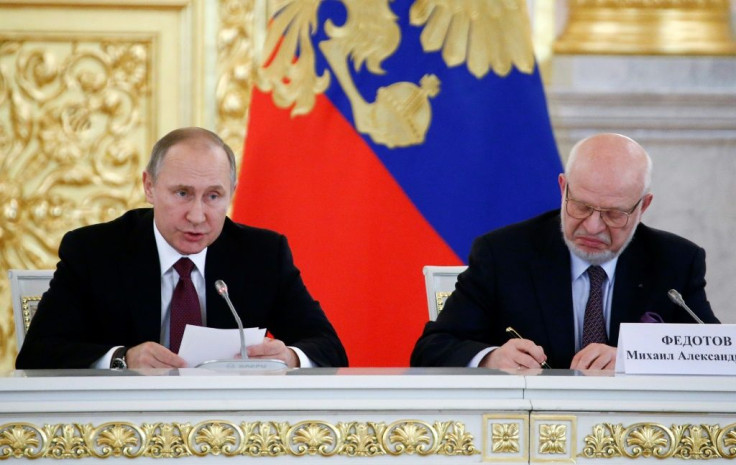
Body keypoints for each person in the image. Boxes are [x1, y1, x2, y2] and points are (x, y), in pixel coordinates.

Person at [16, 127, 347, 369]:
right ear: (150, 187)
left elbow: (330, 348)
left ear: (232, 191)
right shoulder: (93, 251)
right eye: (183, 194)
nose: (198, 215)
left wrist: (290, 356)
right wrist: (122, 358)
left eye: (213, 196)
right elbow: (38, 353)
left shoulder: (263, 254)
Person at [410, 133, 719, 371]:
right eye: (582, 207)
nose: (594, 227)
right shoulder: (503, 254)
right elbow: (432, 349)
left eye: (613, 214)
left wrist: (633, 361)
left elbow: (716, 355)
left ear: (644, 206)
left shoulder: (676, 260)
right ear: (563, 188)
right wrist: (491, 358)